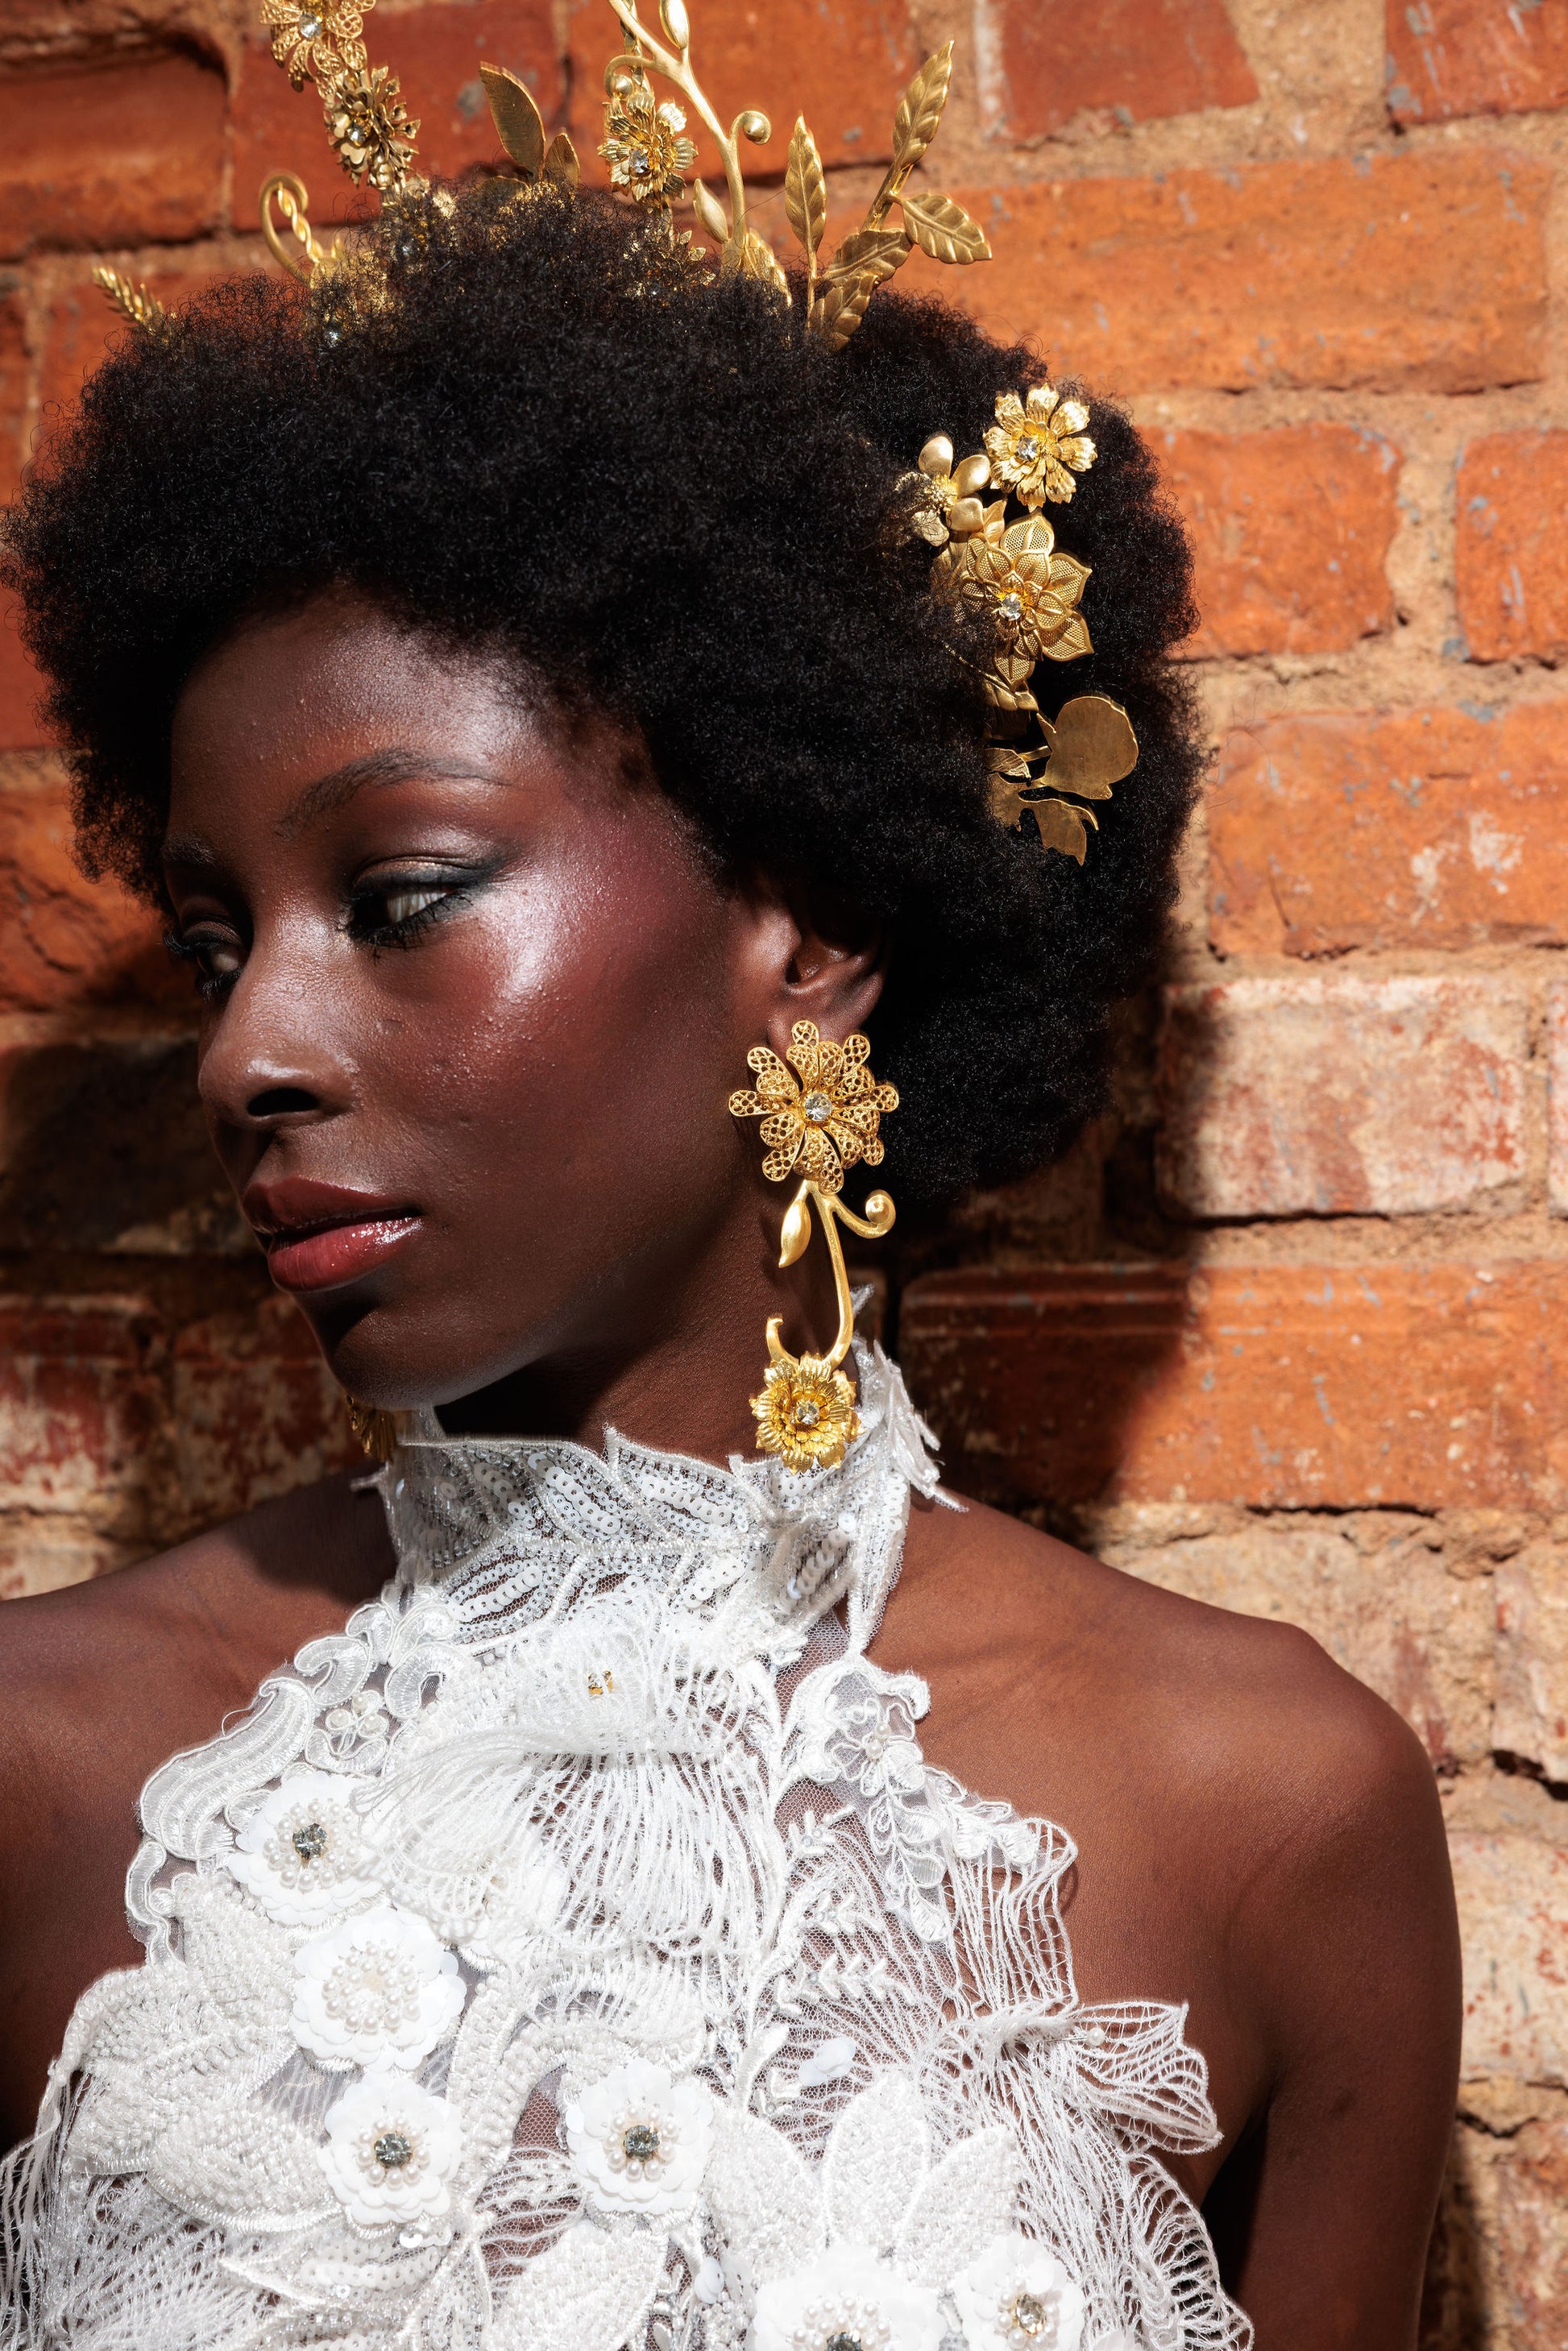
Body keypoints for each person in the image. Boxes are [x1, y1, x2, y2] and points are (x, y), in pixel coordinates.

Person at [0, 16, 1458, 2348]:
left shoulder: (1266, 1809)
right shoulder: (46, 1765)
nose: (248, 1050)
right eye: (213, 939)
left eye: (397, 894)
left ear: (811, 931)